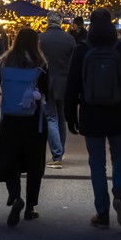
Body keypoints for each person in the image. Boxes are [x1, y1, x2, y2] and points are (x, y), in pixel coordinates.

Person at [65, 8, 121, 229]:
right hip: (120, 114)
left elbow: (72, 84)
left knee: (97, 164)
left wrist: (70, 114)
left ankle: (102, 212)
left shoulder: (82, 49)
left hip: (91, 115)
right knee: (120, 159)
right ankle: (120, 193)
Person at [0, 27, 49, 226]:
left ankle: (16, 196)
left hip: (9, 118)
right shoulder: (40, 64)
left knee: (11, 159)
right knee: (35, 164)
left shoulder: (5, 62)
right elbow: (46, 92)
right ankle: (30, 207)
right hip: (34, 121)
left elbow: (3, 87)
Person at [39, 11, 76, 169]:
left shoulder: (40, 39)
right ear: (61, 22)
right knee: (61, 118)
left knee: (51, 117)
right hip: (64, 82)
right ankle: (60, 150)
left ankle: (56, 155)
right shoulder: (69, 39)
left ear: (48, 21)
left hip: (46, 82)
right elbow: (74, 63)